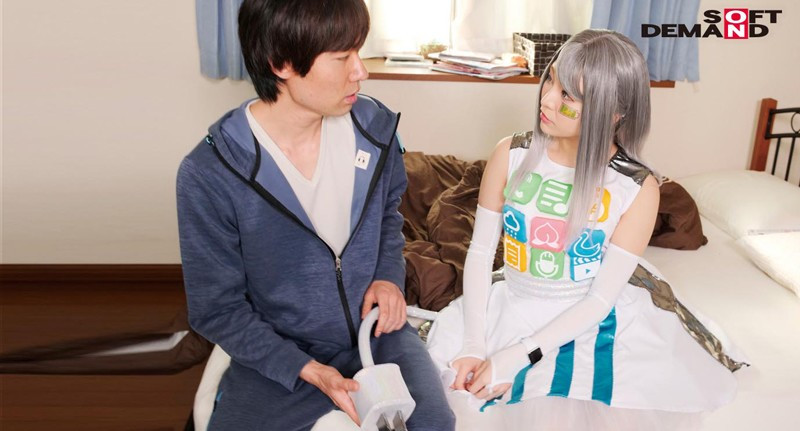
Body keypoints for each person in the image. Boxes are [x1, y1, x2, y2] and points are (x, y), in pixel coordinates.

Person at [426, 29, 746, 430]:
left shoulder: (637, 187)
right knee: (449, 388)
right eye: (551, 80)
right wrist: (475, 344)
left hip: (588, 317)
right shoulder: (511, 152)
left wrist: (516, 356)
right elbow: (478, 252)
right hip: (512, 299)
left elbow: (598, 300)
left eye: (567, 95)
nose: (546, 99)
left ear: (612, 113)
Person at [176, 1, 454, 430]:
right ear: (281, 63)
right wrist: (305, 369)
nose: (360, 71)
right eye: (342, 57)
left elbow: (388, 217)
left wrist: (387, 277)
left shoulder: (376, 130)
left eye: (359, 52)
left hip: (376, 335)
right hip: (284, 353)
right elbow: (217, 309)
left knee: (435, 424)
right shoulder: (210, 173)